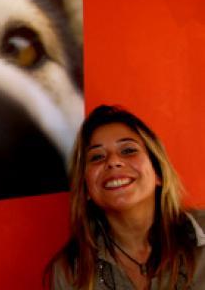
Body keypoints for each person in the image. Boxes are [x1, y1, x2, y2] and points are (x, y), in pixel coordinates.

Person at [45, 105, 205, 289]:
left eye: (128, 150)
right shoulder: (69, 271)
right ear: (86, 188)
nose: (113, 161)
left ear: (158, 173)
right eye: (97, 157)